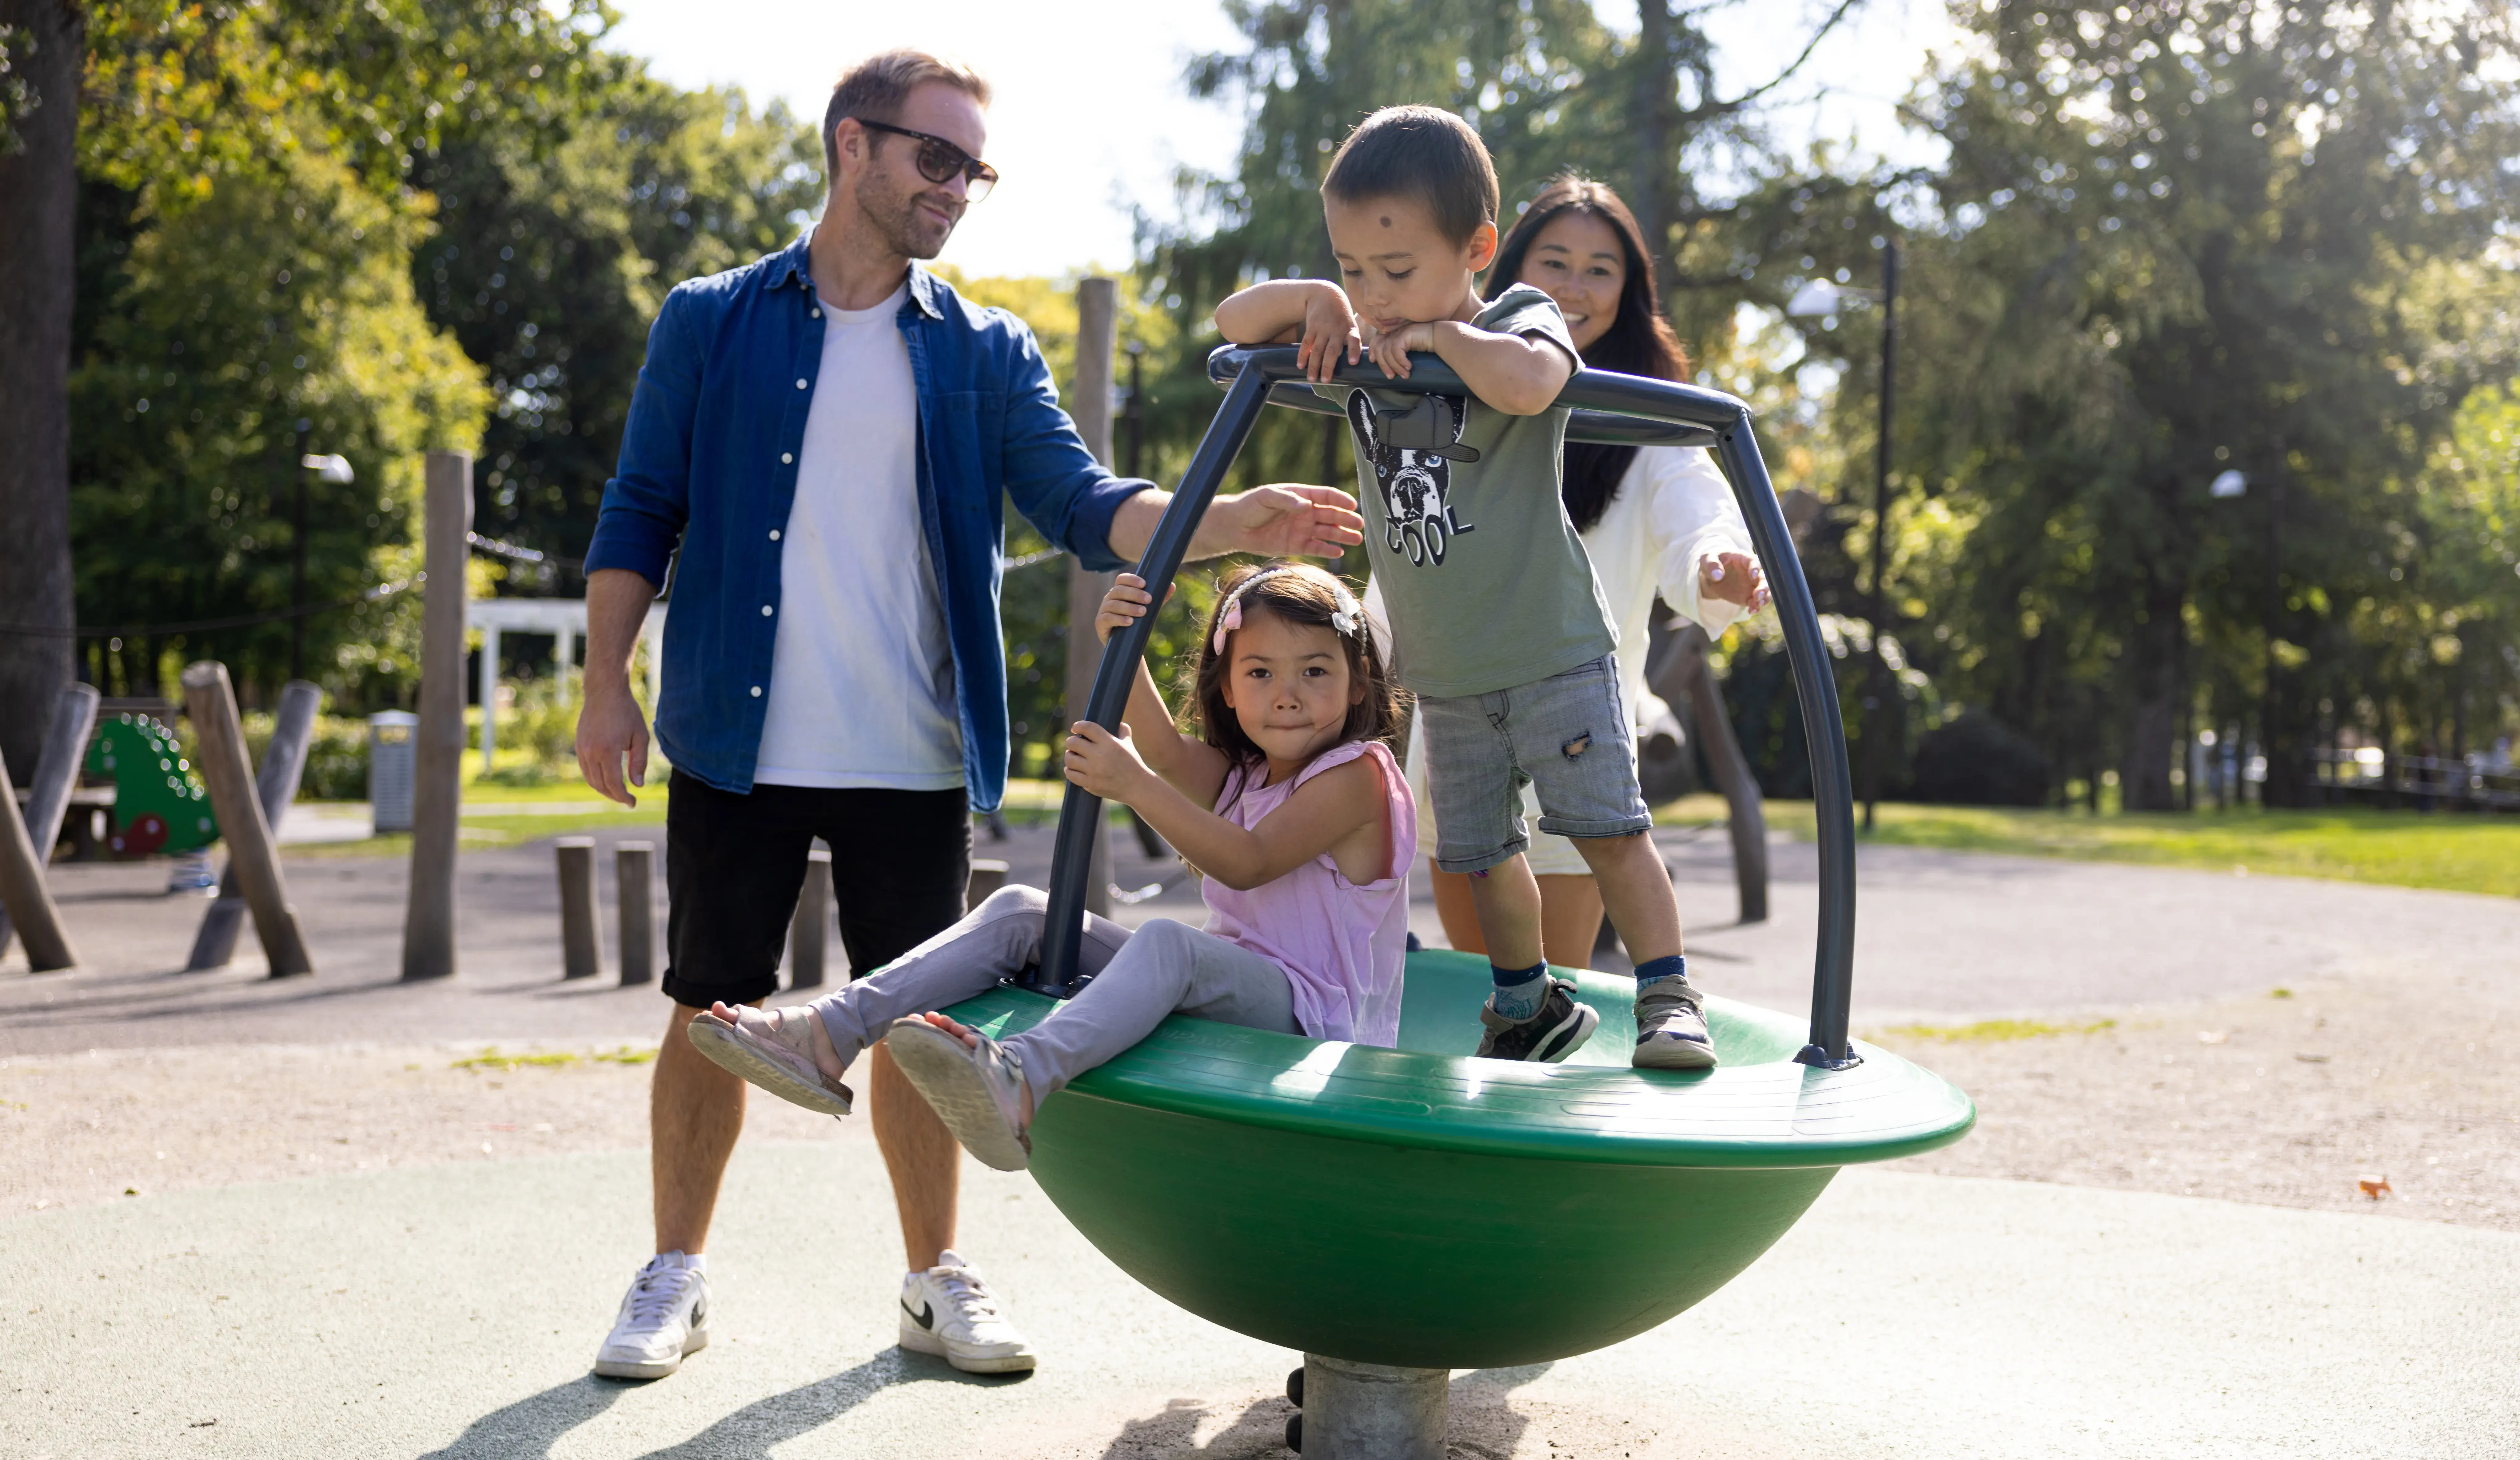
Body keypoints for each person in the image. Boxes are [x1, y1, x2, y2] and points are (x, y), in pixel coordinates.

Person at [572, 50, 1362, 1382]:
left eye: (973, 171)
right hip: (732, 736)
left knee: (920, 1031)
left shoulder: (987, 349)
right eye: (933, 159)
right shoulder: (709, 319)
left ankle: (931, 1281)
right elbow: (638, 507)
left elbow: (1079, 499)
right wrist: (605, 682)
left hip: (915, 753)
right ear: (849, 146)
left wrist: (1222, 522)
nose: (954, 188)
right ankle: (674, 1274)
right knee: (709, 1001)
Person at [1212, 105, 1717, 1072]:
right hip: (1448, 674)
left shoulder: (1515, 315)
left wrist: (1441, 332)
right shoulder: (1362, 353)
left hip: (1552, 650)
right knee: (1480, 854)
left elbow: (1530, 387)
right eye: (1354, 267)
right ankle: (1526, 1004)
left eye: (1394, 271)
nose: (1375, 294)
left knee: (1609, 831)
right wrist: (1315, 301)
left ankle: (1668, 996)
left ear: (1478, 248)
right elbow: (1235, 327)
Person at [682, 562, 1411, 1178]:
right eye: (1261, 672)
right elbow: (1160, 748)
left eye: (1315, 671)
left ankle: (1023, 1075)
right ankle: (827, 1031)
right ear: (1228, 689)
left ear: (1356, 686)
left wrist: (1131, 785)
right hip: (1242, 984)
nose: (1287, 693)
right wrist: (1121, 640)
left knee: (1168, 941)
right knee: (1021, 908)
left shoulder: (1359, 776)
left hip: (1316, 1017)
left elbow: (1247, 863)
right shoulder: (1250, 771)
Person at [1411, 175, 1770, 965]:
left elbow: (1691, 501)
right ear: (1509, 270)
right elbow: (1416, 550)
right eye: (1556, 261)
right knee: (1483, 979)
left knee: (1557, 969)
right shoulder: (1455, 381)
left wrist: (1714, 562)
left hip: (1572, 721)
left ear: (1629, 289)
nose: (1575, 287)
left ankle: (1652, 1012)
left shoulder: (1641, 410)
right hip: (1461, 718)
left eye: (1600, 268)